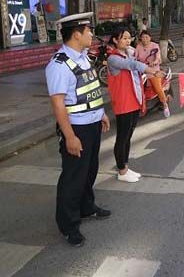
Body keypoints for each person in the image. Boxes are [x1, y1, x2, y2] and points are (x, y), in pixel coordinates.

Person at [45, 12, 111, 247]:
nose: (92, 34)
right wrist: (70, 136)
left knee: (90, 170)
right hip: (77, 129)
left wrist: (101, 113)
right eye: (88, 30)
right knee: (73, 177)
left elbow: (90, 90)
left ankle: (86, 207)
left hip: (92, 123)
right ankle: (69, 225)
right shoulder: (59, 65)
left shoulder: (83, 58)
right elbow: (58, 104)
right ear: (76, 34)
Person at [107, 25, 165, 183]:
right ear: (115, 40)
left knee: (128, 136)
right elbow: (133, 65)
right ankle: (121, 170)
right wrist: (153, 71)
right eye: (124, 38)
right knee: (122, 137)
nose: (128, 41)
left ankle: (125, 167)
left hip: (134, 101)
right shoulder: (113, 58)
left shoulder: (129, 54)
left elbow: (136, 62)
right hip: (123, 103)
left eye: (129, 38)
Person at [135, 30, 170, 118]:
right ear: (140, 38)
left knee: (158, 88)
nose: (145, 39)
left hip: (153, 71)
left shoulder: (155, 46)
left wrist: (154, 62)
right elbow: (135, 58)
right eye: (143, 37)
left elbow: (158, 58)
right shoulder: (138, 47)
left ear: (150, 38)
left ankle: (165, 105)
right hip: (142, 71)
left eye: (147, 37)